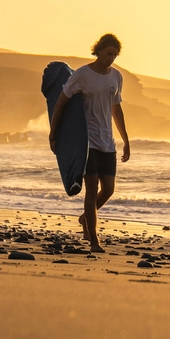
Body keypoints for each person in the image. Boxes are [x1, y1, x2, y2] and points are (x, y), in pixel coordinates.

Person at [49, 34, 130, 252]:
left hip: (107, 141)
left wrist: (126, 140)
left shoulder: (116, 77)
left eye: (115, 55)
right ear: (98, 51)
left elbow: (116, 109)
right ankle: (94, 240)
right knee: (92, 190)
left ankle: (86, 218)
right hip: (87, 142)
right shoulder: (82, 74)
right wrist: (53, 133)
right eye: (108, 54)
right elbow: (61, 102)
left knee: (109, 189)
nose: (111, 58)